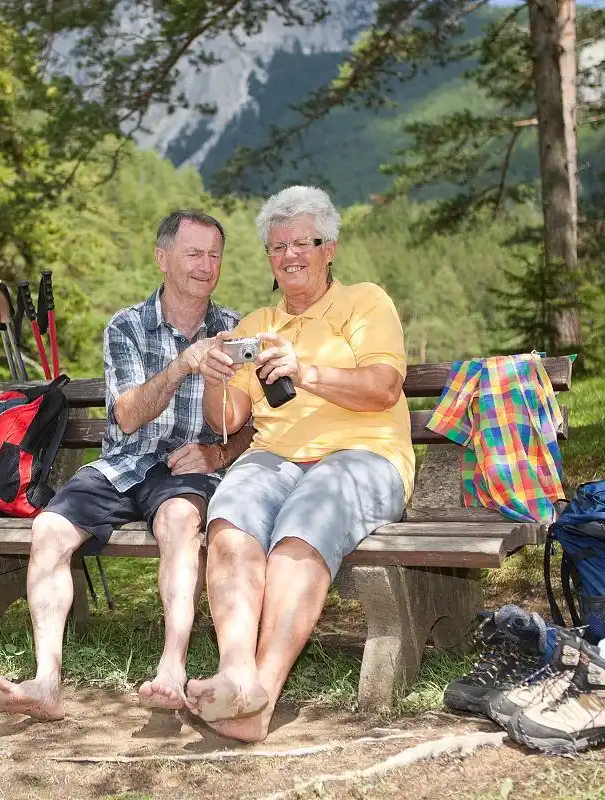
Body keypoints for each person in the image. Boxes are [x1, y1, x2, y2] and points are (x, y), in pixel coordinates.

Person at [0, 210, 254, 721]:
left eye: (214, 255)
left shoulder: (236, 331)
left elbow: (254, 421)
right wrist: (182, 364)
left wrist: (218, 453)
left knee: (180, 521)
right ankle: (46, 681)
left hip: (186, 469)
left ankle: (172, 670)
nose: (206, 266)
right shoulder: (127, 326)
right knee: (48, 529)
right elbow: (128, 416)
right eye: (193, 253)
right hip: (124, 463)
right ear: (163, 258)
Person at [185, 185, 416, 742]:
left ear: (328, 247)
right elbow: (232, 414)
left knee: (305, 523)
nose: (290, 255)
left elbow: (383, 389)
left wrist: (306, 370)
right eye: (277, 246)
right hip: (274, 459)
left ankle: (260, 697)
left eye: (303, 243)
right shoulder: (256, 323)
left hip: (363, 457)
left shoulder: (366, 302)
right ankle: (236, 672)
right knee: (230, 517)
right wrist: (215, 376)